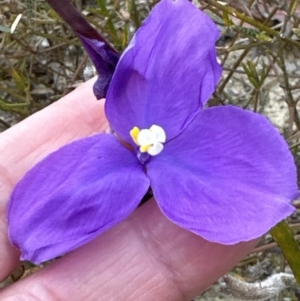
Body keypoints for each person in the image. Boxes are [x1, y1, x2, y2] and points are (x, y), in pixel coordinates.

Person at [0, 78, 257, 300]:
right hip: (118, 161)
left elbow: (256, 194)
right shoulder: (115, 165)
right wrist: (32, 233)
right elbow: (37, 225)